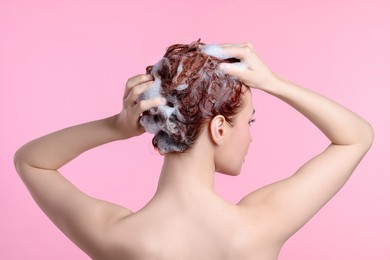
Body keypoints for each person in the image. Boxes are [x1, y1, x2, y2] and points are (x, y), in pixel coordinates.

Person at [14, 40, 374, 260]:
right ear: (219, 128)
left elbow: (31, 161)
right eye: (248, 123)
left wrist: (116, 126)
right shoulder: (259, 225)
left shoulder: (117, 236)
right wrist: (273, 82)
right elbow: (355, 136)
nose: (249, 137)